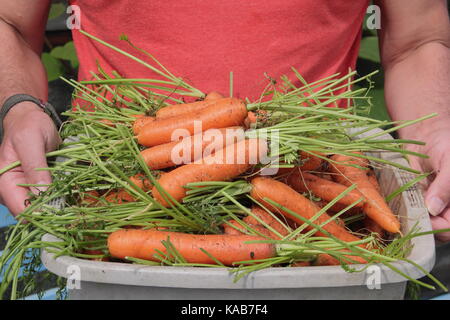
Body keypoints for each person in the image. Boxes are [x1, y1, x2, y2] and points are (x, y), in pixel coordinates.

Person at [0, 1, 449, 242]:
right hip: (113, 192)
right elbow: (11, 22)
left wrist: (435, 131)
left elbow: (419, 39)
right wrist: (18, 107)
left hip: (317, 185)